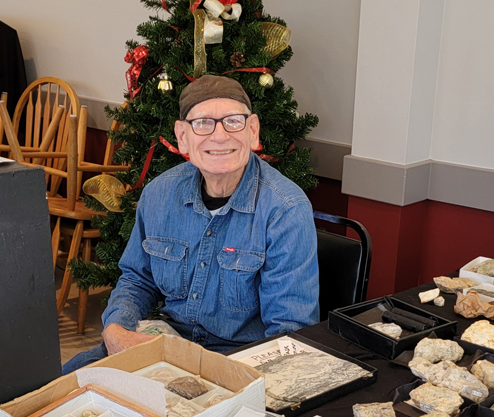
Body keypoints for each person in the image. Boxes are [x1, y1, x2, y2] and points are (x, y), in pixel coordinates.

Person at [62, 74, 319, 373]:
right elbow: (137, 279)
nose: (220, 136)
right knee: (65, 383)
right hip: (166, 345)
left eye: (233, 121)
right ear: (182, 136)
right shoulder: (159, 194)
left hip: (239, 360)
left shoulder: (286, 209)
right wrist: (116, 329)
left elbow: (288, 333)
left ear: (252, 131)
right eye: (203, 123)